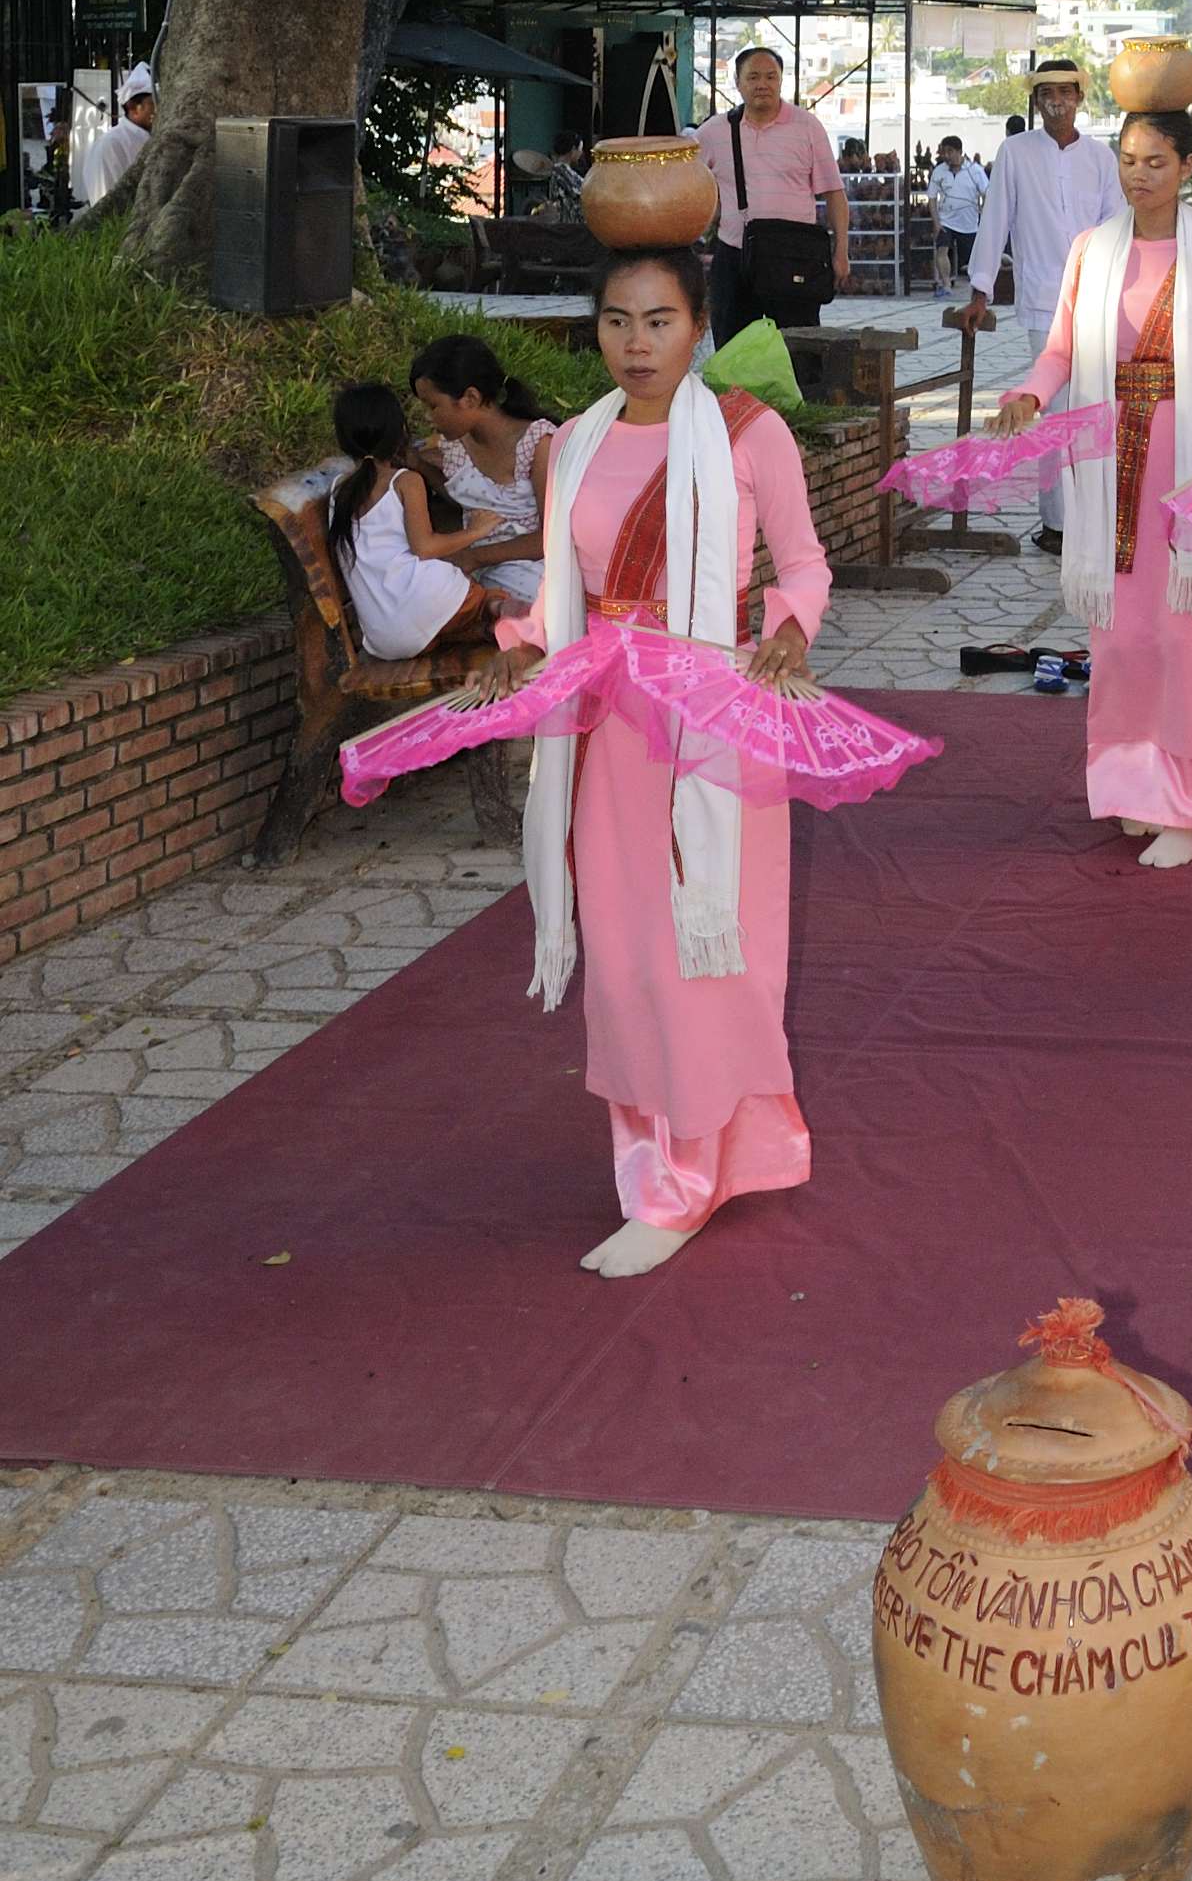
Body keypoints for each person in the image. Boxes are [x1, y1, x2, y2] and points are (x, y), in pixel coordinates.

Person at [444, 241, 834, 1277]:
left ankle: (692, 1177)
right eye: (617, 320)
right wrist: (521, 647)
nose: (637, 342)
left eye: (660, 320)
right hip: (609, 730)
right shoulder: (573, 441)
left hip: (712, 726)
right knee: (624, 960)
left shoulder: (748, 434)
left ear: (697, 327)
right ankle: (656, 1166)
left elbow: (803, 561)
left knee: (705, 955)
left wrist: (790, 628)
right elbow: (561, 590)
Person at [996, 105, 1192, 868]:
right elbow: (1061, 349)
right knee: (1119, 639)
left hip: (1186, 464)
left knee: (1179, 637)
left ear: (1187, 169)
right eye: (1127, 159)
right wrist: (1028, 396)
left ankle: (1187, 805)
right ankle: (1130, 788)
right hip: (1108, 467)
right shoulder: (1091, 251)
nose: (1139, 174)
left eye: (1156, 161)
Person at [963, 54, 1122, 545]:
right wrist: (981, 290)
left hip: (1098, 298)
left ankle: (1097, 519)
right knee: (1053, 410)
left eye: (1065, 92)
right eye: (1047, 93)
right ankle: (1057, 525)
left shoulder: (1101, 157)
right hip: (1042, 299)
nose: (1056, 101)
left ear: (1079, 98)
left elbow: (1118, 226)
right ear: (1035, 102)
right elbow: (996, 220)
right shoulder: (1015, 152)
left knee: (1097, 405)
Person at [328, 384, 503, 659]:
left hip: (386, 640)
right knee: (492, 602)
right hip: (429, 603)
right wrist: (476, 531)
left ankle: (487, 629)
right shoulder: (404, 481)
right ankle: (503, 621)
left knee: (454, 621)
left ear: (343, 439)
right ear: (399, 430)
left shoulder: (338, 492)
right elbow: (425, 547)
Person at [696, 44, 849, 346]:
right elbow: (686, 182)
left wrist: (841, 252)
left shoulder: (807, 127)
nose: (762, 84)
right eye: (753, 77)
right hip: (735, 256)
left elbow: (834, 194)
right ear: (738, 83)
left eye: (770, 76)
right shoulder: (714, 132)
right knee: (733, 350)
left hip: (795, 256)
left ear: (781, 80)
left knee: (798, 349)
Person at [410, 334, 561, 611]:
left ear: (470, 398)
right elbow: (471, 497)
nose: (428, 417)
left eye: (433, 406)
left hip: (531, 569)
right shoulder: (456, 444)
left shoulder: (538, 443)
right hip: (479, 568)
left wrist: (475, 557)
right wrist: (420, 466)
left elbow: (550, 537)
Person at [73, 67, 155, 210]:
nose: (159, 110)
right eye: (153, 104)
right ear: (133, 108)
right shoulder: (111, 145)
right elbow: (106, 200)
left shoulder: (152, 138)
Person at [930, 134, 987, 293]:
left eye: (950, 152)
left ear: (959, 151)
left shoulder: (975, 171)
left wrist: (984, 214)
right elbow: (932, 197)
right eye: (944, 152)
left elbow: (986, 193)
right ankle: (946, 284)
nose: (947, 156)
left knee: (973, 258)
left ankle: (979, 286)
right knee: (942, 250)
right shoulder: (939, 171)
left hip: (968, 223)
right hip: (946, 220)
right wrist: (936, 222)